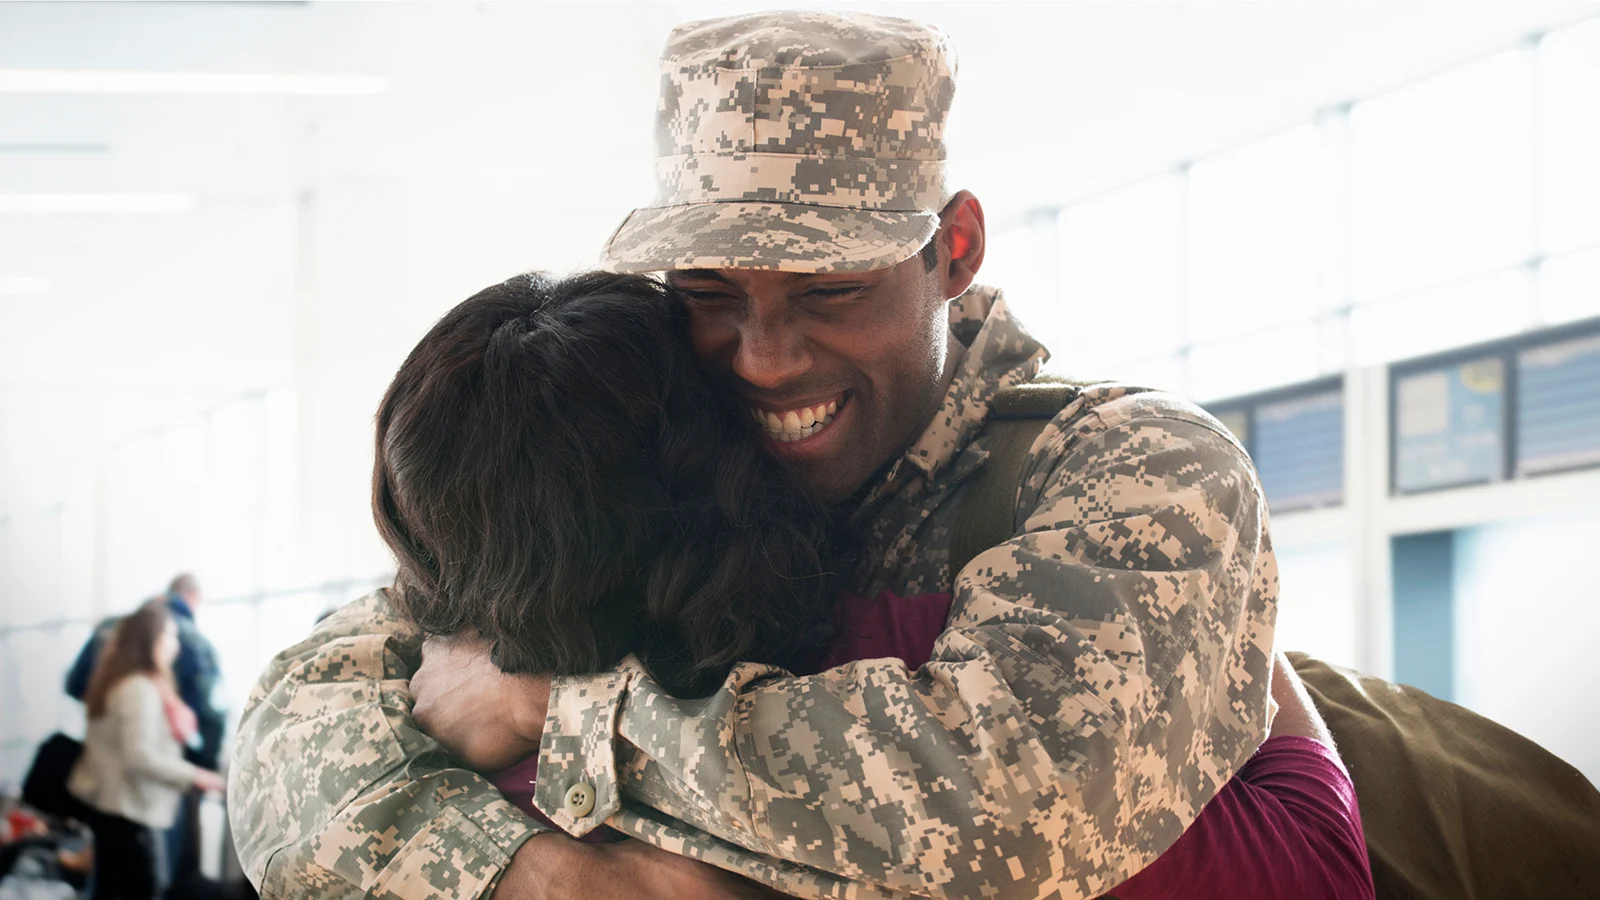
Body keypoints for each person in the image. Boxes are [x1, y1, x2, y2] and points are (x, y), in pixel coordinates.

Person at [231, 11, 1279, 899]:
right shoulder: (664, 431)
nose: (767, 362)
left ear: (952, 250)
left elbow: (1026, 800)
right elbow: (305, 717)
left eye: (830, 293)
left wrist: (555, 708)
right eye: (710, 296)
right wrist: (537, 878)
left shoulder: (1128, 469)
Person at [368, 270, 1371, 899]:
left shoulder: (416, 741)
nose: (765, 363)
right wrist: (1253, 656)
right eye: (718, 306)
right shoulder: (930, 670)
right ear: (724, 457)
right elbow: (1308, 868)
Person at [66, 573, 225, 888]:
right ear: (150, 639)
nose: (175, 646)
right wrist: (197, 775)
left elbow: (73, 685)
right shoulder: (139, 688)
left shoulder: (116, 682)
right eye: (169, 636)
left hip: (112, 806)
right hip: (133, 810)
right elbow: (140, 756)